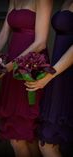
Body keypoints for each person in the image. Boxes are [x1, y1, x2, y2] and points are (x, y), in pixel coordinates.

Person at [0, 0, 52, 157]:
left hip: (30, 66)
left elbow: (41, 43)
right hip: (11, 66)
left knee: (23, 134)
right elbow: (3, 34)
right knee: (21, 136)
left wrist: (7, 68)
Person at [25, 1, 73, 156]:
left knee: (50, 144)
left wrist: (49, 75)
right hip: (59, 72)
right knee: (48, 143)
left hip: (64, 73)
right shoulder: (66, 1)